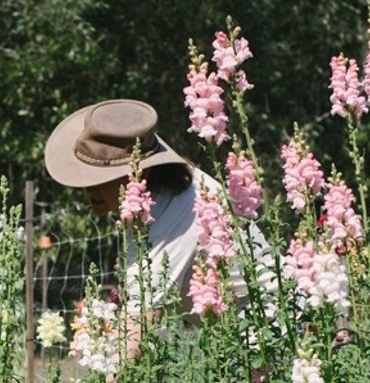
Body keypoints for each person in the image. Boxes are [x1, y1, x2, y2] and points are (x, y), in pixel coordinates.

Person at [44, 98, 275, 319]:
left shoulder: (174, 212)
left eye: (101, 179)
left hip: (269, 332)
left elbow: (139, 327)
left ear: (140, 172)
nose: (89, 190)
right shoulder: (160, 198)